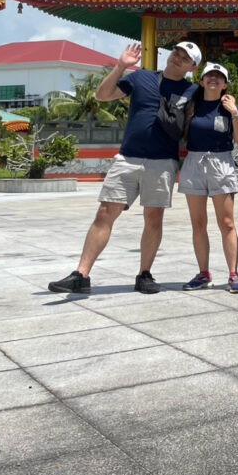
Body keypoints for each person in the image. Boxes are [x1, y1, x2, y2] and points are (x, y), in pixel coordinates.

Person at [49, 41, 201, 295]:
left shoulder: (192, 90)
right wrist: (120, 66)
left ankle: (144, 273)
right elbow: (102, 95)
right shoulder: (141, 77)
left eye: (185, 58)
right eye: (176, 52)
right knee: (104, 212)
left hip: (163, 161)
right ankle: (81, 274)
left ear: (192, 67)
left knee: (153, 218)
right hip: (128, 157)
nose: (177, 58)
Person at [178, 63, 238, 293]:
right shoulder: (191, 105)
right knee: (198, 223)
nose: (213, 79)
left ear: (225, 84)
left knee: (226, 222)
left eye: (219, 77)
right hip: (194, 162)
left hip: (221, 162)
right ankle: (203, 273)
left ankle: (233, 273)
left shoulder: (228, 107)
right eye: (209, 75)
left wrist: (235, 112)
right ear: (201, 80)